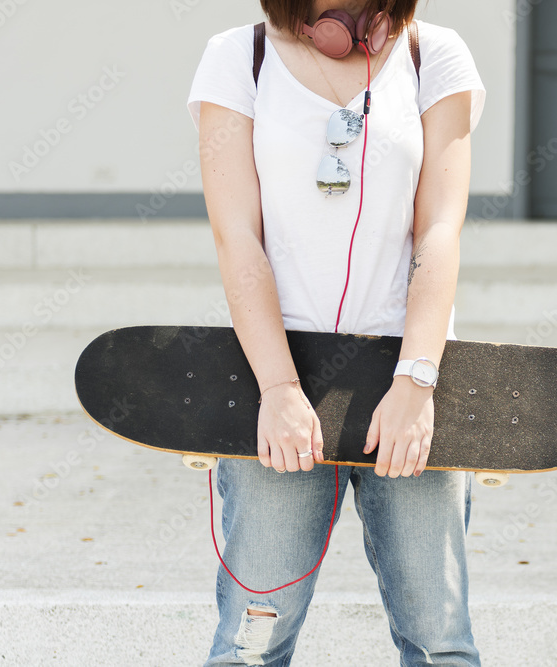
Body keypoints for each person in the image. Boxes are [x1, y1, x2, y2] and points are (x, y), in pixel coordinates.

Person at [186, 0, 486, 664]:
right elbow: (237, 238)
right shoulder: (239, 58)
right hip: (280, 389)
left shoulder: (433, 56)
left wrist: (417, 378)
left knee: (440, 644)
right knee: (250, 645)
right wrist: (278, 387)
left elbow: (439, 229)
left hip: (406, 389)